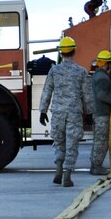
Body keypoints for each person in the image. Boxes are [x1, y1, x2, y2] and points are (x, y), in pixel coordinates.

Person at [38, 36, 93, 187]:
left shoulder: (54, 71)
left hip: (58, 113)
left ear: (61, 53)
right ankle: (67, 175)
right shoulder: (81, 72)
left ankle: (58, 170)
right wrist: (89, 113)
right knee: (72, 144)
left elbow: (47, 91)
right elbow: (87, 95)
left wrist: (42, 111)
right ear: (74, 51)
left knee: (59, 142)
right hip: (74, 113)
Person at [89, 50, 111, 175]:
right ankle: (96, 167)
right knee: (101, 141)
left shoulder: (97, 75)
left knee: (98, 140)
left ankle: (95, 165)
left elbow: (104, 85)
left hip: (97, 112)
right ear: (107, 64)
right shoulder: (102, 77)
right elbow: (102, 95)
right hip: (102, 113)